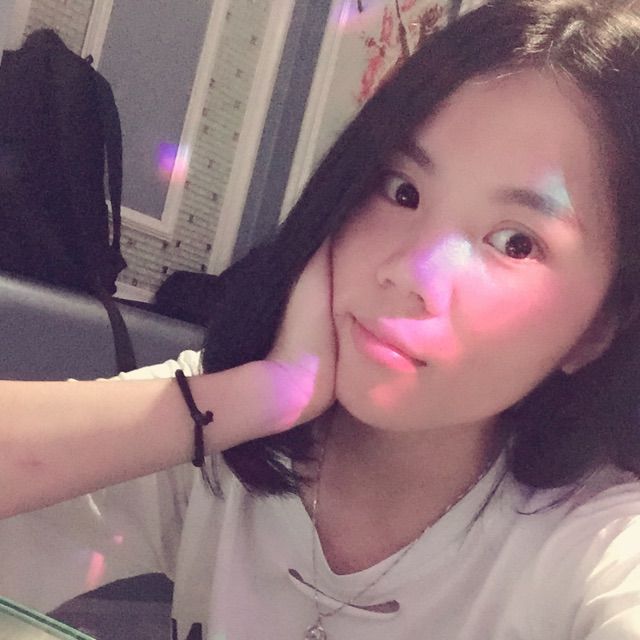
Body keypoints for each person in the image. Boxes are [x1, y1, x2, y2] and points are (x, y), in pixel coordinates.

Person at [3, 0, 640, 638]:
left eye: (516, 243)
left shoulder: (599, 548)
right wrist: (264, 395)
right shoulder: (229, 424)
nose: (411, 272)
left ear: (597, 329)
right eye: (402, 191)